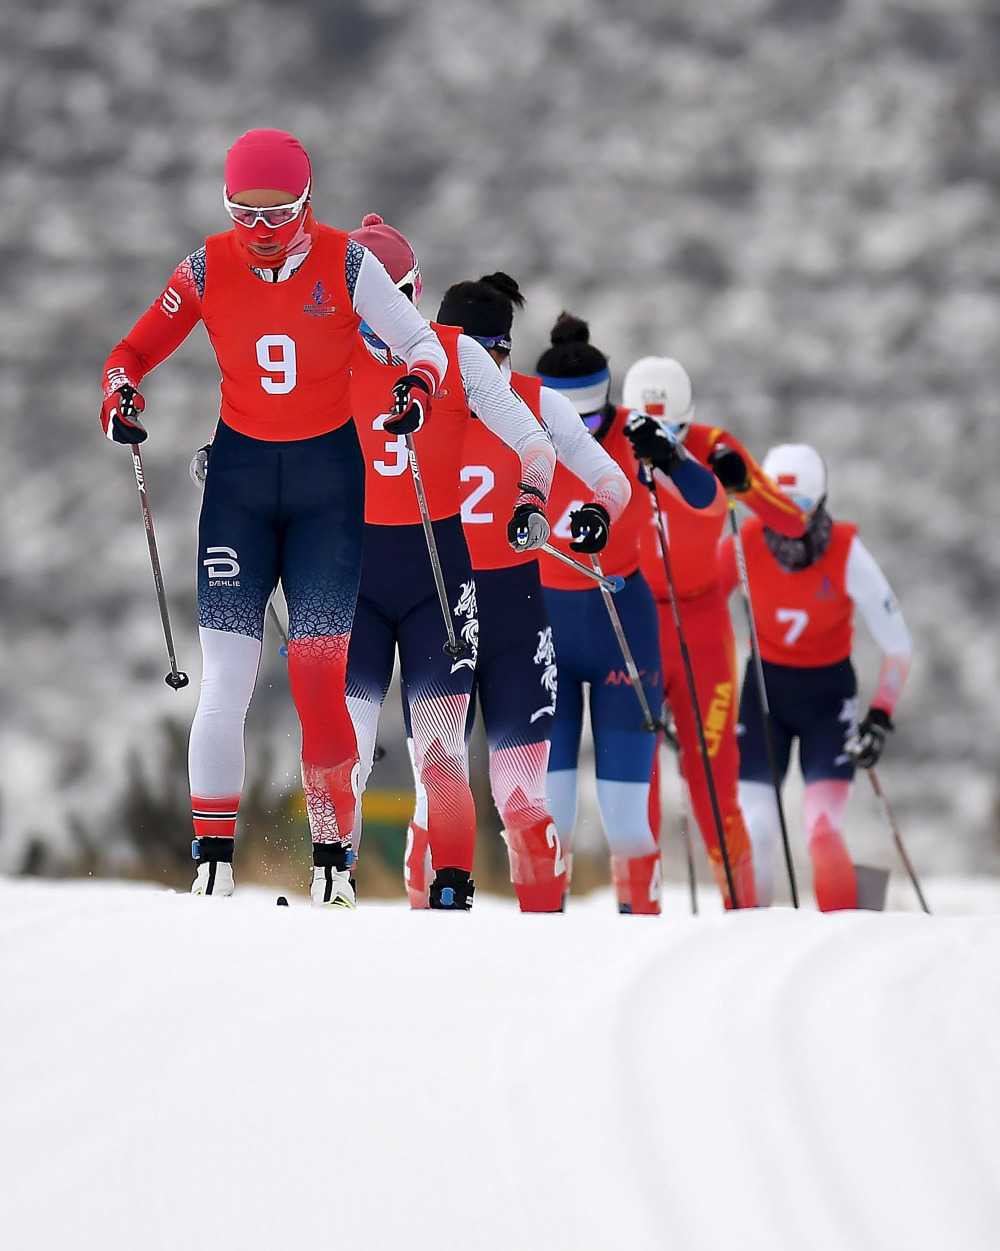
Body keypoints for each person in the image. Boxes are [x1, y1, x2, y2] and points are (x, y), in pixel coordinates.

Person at [100, 130, 449, 905]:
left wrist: (416, 388)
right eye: (243, 214)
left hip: (328, 490)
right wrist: (119, 396)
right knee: (226, 680)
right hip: (241, 489)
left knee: (318, 680)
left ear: (308, 204)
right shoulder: (204, 266)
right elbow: (128, 351)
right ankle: (213, 860)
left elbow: (422, 343)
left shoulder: (348, 263)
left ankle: (332, 860)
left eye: (277, 213)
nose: (259, 232)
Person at [401, 272, 633, 912]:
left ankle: (542, 953)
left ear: (503, 351)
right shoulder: (408, 401)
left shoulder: (538, 404)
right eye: (459, 354)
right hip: (438, 615)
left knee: (521, 799)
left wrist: (597, 517)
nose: (474, 372)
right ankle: (425, 955)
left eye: (488, 356)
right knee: (435, 789)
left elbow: (611, 481)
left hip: (512, 617)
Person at [345, 222, 556, 911]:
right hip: (349, 579)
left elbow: (535, 443)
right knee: (339, 753)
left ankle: (449, 899)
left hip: (438, 578)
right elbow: (261, 425)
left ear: (416, 295)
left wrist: (531, 498)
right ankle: (329, 891)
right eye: (361, 302)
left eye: (393, 299)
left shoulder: (456, 355)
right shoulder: (325, 349)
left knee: (438, 760)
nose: (378, 320)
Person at [535, 316, 717, 913]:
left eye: (590, 422)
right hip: (547, 631)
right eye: (567, 422)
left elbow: (709, 501)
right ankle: (537, 943)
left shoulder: (635, 435)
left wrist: (673, 455)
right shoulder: (519, 430)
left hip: (623, 631)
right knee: (549, 814)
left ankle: (639, 942)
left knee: (624, 816)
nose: (579, 435)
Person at [622, 356, 808, 908]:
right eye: (650, 432)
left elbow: (791, 523)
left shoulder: (712, 443)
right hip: (634, 622)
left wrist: (744, 481)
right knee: (636, 785)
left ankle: (743, 911)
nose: (663, 444)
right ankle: (634, 912)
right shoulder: (608, 440)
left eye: (674, 432)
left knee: (713, 783)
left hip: (702, 629)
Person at [717, 443, 912, 910]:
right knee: (757, 833)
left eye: (801, 510)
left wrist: (880, 716)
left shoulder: (845, 551)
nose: (790, 525)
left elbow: (899, 644)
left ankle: (845, 941)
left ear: (820, 504)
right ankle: (742, 945)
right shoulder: (742, 544)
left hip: (828, 700)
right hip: (763, 696)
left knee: (822, 832)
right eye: (778, 509)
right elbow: (691, 610)